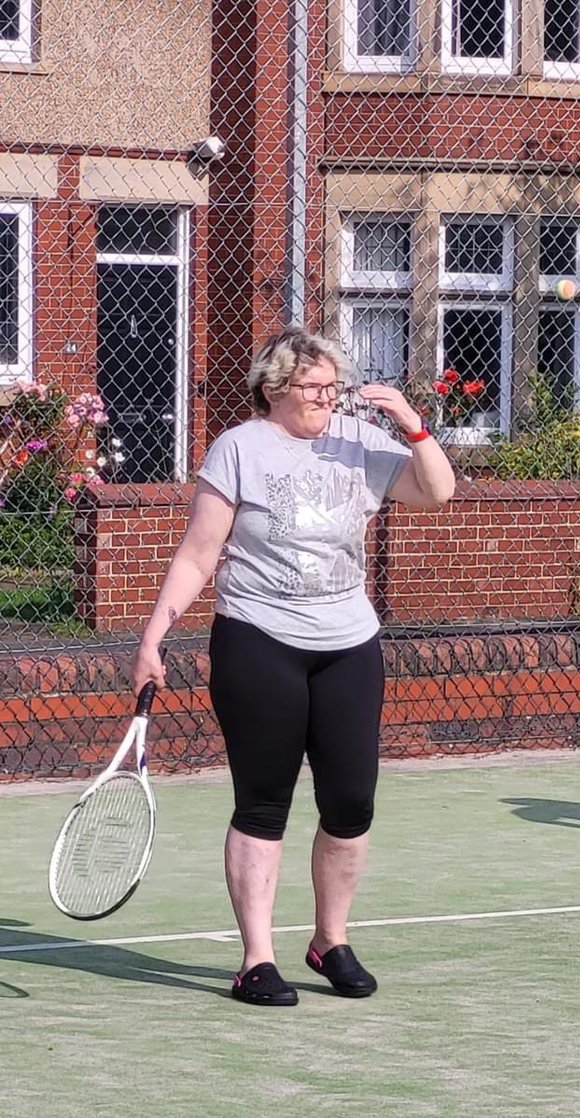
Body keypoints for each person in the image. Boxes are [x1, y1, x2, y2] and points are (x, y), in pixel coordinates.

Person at [131, 327, 455, 1006]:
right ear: (274, 388)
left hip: (348, 644)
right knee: (264, 801)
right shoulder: (240, 449)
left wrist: (413, 427)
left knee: (351, 801)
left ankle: (329, 940)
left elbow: (437, 493)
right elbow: (198, 554)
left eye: (332, 386)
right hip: (258, 639)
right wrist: (153, 638)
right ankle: (256, 959)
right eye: (312, 387)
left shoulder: (359, 443)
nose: (325, 397)